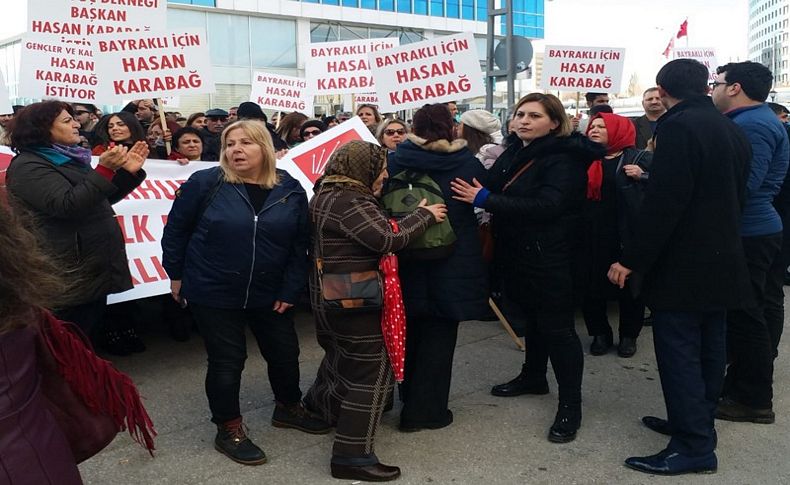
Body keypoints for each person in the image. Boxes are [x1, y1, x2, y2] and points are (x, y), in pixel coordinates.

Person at [607, 59, 752, 475]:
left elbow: (665, 202)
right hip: (721, 259)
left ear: (663, 89)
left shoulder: (678, 127)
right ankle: (695, 424)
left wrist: (631, 259)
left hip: (685, 265)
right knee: (708, 350)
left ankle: (693, 446)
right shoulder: (729, 127)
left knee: (681, 354)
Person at [162, 120, 329, 466]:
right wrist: (176, 275)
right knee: (227, 361)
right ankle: (228, 427)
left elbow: (301, 245)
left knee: (284, 353)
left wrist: (290, 287)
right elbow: (176, 231)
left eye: (245, 143)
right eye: (229, 144)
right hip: (214, 290)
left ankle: (288, 407)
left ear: (264, 148)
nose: (235, 150)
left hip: (270, 291)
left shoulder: (289, 188)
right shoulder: (205, 183)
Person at [451, 93, 605, 444]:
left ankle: (571, 406)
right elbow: (489, 185)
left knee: (558, 330)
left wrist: (486, 201)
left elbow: (548, 205)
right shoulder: (516, 151)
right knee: (532, 320)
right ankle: (534, 376)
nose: (522, 120)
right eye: (519, 114)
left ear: (554, 122)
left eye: (534, 115)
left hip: (553, 256)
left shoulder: (564, 157)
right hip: (520, 253)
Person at [305, 140, 446, 482]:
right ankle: (352, 456)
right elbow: (385, 239)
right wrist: (424, 216)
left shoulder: (326, 192)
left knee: (342, 358)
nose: (385, 174)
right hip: (355, 298)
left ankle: (320, 408)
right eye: (381, 167)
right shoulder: (349, 200)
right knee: (372, 374)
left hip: (333, 292)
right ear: (361, 168)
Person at [5, 101, 148, 342]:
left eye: (74, 118)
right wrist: (103, 170)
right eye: (66, 120)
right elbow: (68, 205)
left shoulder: (67, 159)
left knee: (83, 334)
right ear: (42, 129)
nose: (76, 124)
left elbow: (97, 199)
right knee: (67, 339)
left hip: (89, 264)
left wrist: (126, 173)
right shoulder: (29, 166)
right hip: (67, 271)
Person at [388, 103, 489, 432]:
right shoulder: (465, 162)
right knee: (440, 335)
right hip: (453, 259)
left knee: (411, 330)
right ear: (452, 128)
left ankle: (408, 395)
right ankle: (426, 411)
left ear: (414, 128)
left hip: (405, 257)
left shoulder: (396, 159)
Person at [710, 61, 790, 424]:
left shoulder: (754, 124)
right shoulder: (750, 121)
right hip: (754, 230)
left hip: (750, 232)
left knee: (747, 316)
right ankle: (741, 386)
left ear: (734, 88)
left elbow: (743, 185)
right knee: (751, 313)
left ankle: (753, 399)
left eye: (717, 82)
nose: (713, 89)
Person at [581, 113, 651, 358]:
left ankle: (628, 336)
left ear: (618, 130)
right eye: (593, 126)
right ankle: (600, 334)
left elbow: (664, 188)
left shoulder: (639, 158)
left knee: (630, 289)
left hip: (625, 234)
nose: (595, 130)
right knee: (591, 286)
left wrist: (642, 176)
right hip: (590, 233)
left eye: (602, 126)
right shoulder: (582, 157)